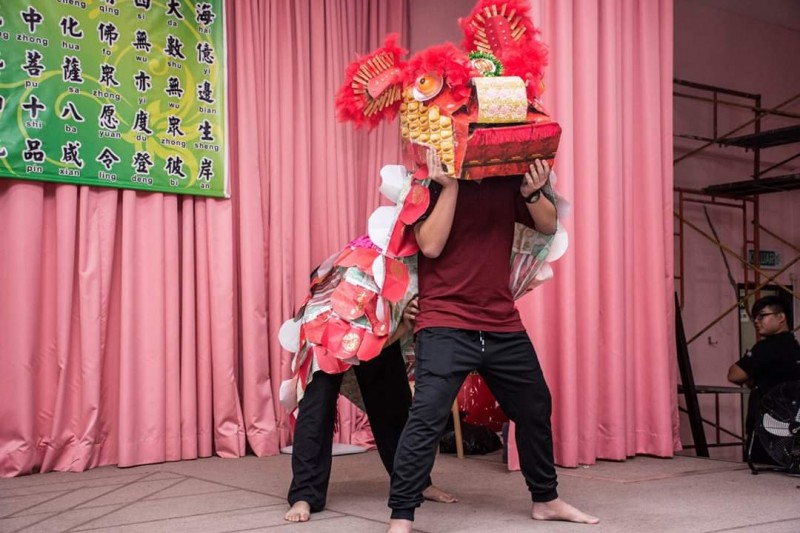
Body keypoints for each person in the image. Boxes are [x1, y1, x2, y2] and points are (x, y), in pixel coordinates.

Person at [386, 149, 599, 532]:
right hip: (445, 321)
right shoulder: (430, 179)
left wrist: (533, 193)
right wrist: (450, 187)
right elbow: (430, 246)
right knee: (427, 416)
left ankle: (546, 500)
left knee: (534, 405)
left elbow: (547, 226)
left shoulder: (507, 177)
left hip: (500, 321)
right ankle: (401, 516)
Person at [286, 296, 457, 523]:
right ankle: (304, 493)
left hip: (377, 306)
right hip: (331, 306)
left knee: (392, 398)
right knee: (317, 401)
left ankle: (417, 482)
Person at [727, 295, 800, 463]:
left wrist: (750, 373)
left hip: (768, 425)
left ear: (781, 317)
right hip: (791, 427)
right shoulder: (794, 346)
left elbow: (734, 375)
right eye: (755, 317)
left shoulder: (766, 348)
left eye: (762, 316)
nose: (756, 321)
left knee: (761, 466)